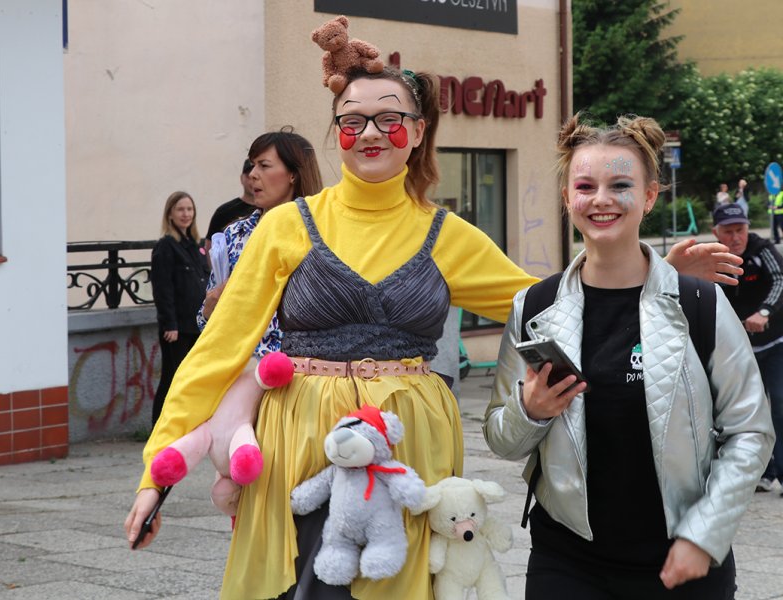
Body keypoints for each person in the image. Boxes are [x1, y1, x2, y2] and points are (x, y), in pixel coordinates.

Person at [125, 23, 745, 599]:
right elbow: (218, 350)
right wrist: (157, 475)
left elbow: (551, 301)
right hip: (301, 442)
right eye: (352, 121)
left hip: (411, 445)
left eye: (389, 119)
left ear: (418, 132)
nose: (371, 133)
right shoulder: (285, 226)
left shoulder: (446, 233)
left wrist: (651, 277)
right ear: (336, 131)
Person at [484, 115, 774, 599]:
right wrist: (529, 411)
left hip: (682, 561)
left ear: (649, 196)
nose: (601, 199)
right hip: (567, 560)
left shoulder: (699, 304)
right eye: (585, 186)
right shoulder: (534, 307)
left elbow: (751, 431)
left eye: (620, 185)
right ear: (567, 198)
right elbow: (501, 439)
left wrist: (704, 534)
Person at [195, 129, 323, 514]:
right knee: (246, 490)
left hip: (302, 380)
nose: (252, 175)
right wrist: (210, 307)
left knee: (296, 492)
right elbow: (207, 323)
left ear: (294, 174)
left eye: (264, 166)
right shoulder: (235, 234)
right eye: (252, 165)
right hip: (244, 379)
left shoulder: (324, 234)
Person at [712, 203, 783, 495]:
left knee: (779, 405)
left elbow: (780, 280)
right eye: (728, 232)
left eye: (740, 230)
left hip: (774, 343)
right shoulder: (711, 258)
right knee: (746, 414)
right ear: (716, 233)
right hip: (736, 351)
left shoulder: (761, 250)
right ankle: (763, 473)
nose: (735, 238)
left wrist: (764, 313)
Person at [149, 191, 209, 425]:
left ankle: (184, 426)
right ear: (170, 214)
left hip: (196, 325)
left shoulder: (195, 245)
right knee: (172, 379)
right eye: (180, 209)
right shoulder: (166, 247)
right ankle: (159, 428)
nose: (186, 214)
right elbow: (162, 289)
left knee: (192, 380)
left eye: (189, 209)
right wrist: (169, 324)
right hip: (177, 329)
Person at [204, 157, 257, 250]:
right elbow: (210, 246)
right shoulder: (224, 212)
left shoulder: (270, 210)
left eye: (256, 177)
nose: (253, 181)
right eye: (249, 176)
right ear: (241, 178)